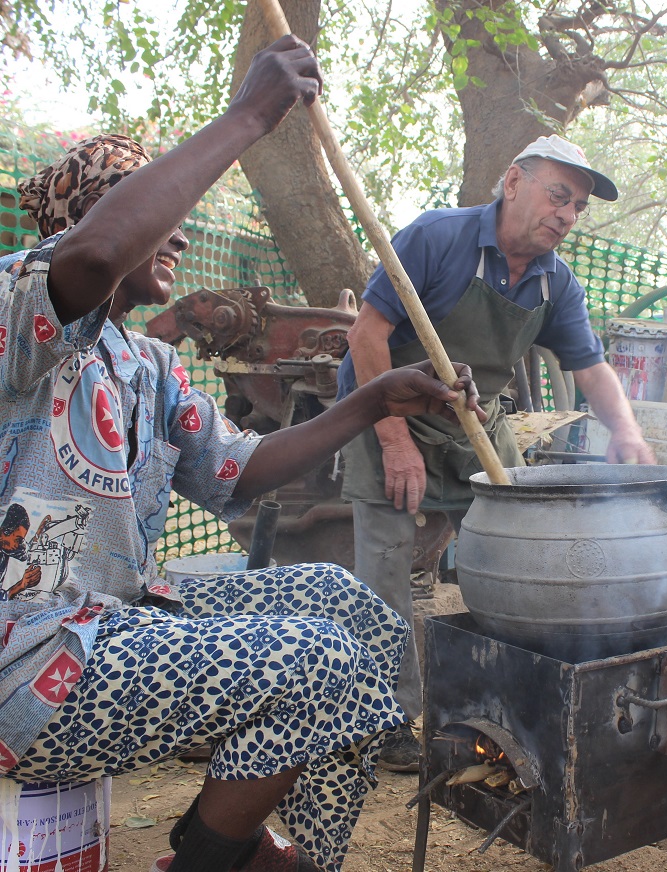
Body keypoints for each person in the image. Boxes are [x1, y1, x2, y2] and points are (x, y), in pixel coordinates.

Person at [0, 36, 487, 872]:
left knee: (352, 612)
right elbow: (89, 258)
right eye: (157, 210)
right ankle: (215, 864)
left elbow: (239, 470)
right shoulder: (17, 304)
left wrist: (371, 401)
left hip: (117, 625)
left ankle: (225, 842)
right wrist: (252, 115)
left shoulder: (146, 362)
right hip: (32, 658)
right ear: (94, 219)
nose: (179, 234)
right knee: (317, 661)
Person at [337, 134, 656, 772]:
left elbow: (590, 368)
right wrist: (395, 441)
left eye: (577, 208)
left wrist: (627, 432)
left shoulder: (555, 284)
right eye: (558, 196)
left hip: (473, 421)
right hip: (387, 413)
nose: (566, 215)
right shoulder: (435, 240)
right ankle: (387, 720)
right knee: (386, 576)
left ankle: (503, 695)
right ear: (513, 181)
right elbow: (365, 336)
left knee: (518, 547)